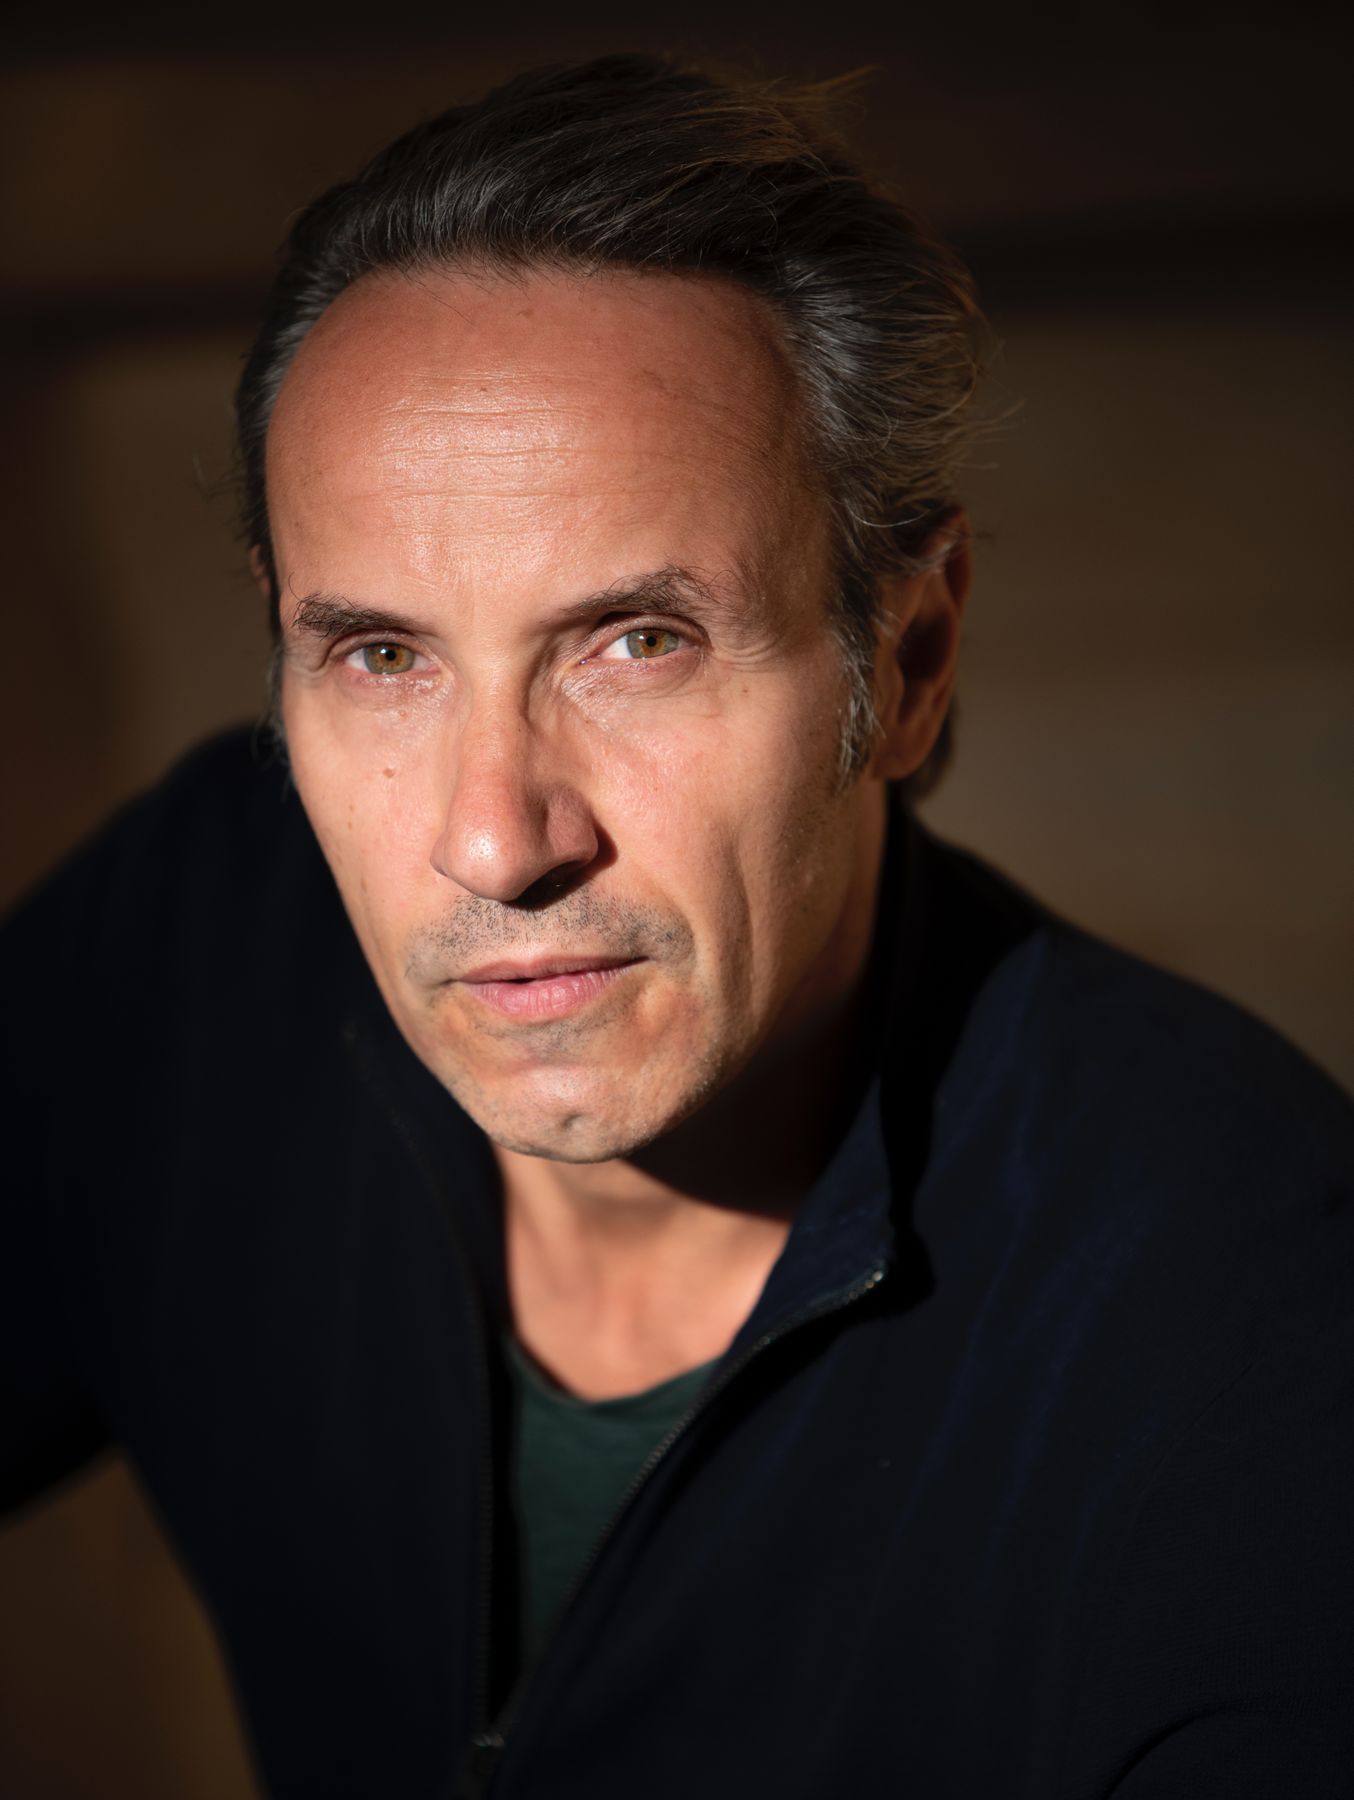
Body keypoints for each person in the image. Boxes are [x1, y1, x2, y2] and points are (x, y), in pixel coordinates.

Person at [3, 53, 1352, 1800]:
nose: (493, 840)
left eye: (636, 643)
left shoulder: (1256, 1331)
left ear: (907, 659)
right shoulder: (205, 936)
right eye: (382, 656)